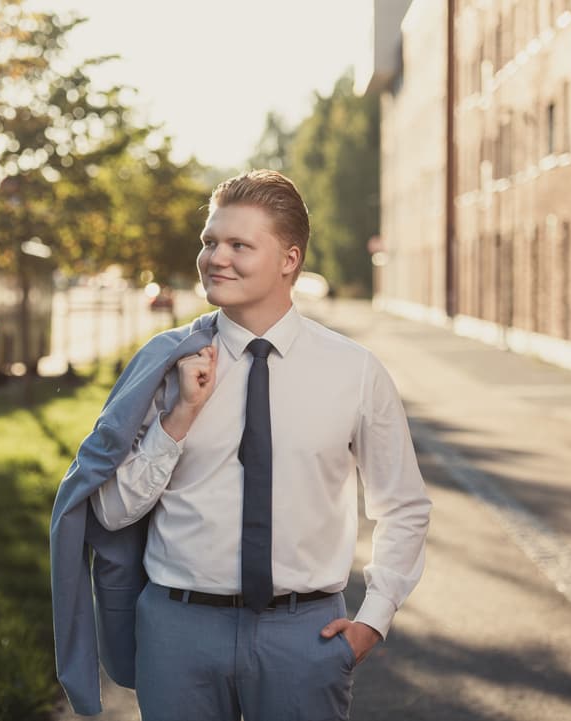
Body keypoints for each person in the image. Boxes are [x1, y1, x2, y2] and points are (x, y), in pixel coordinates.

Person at [51, 169, 431, 720]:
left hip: (303, 638)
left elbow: (404, 504)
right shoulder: (166, 366)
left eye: (238, 245)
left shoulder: (355, 372)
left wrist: (375, 617)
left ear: (289, 260)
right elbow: (110, 511)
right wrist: (180, 417)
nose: (215, 258)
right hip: (178, 634)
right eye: (209, 242)